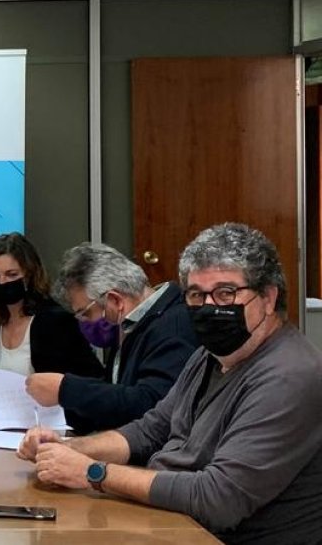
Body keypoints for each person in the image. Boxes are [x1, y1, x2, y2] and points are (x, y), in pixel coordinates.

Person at [17, 223, 322, 544]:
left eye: (225, 293)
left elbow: (219, 498)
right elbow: (152, 429)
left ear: (269, 298)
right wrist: (66, 450)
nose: (208, 307)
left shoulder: (289, 375)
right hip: (175, 523)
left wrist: (93, 473)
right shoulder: (210, 356)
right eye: (196, 294)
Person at [25, 243, 198, 433]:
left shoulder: (174, 326)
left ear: (115, 300)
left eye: (85, 313)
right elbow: (117, 395)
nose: (84, 321)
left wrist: (66, 389)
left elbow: (152, 406)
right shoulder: (132, 323)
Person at [0, 232, 103, 383]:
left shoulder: (56, 321)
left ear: (29, 275)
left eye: (11, 274)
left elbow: (92, 378)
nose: (2, 282)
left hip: (47, 416)